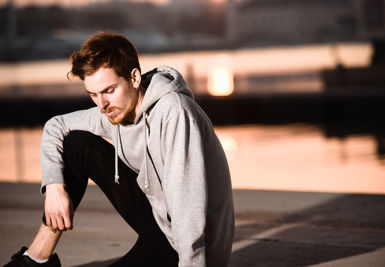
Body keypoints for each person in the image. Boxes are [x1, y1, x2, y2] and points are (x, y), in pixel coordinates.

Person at [4, 31, 234, 267]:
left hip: (187, 244)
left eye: (108, 91)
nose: (102, 104)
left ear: (134, 78)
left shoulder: (174, 113)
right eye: (93, 94)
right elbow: (56, 126)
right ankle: (37, 258)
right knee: (76, 143)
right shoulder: (115, 109)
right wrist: (54, 187)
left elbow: (188, 209)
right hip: (157, 217)